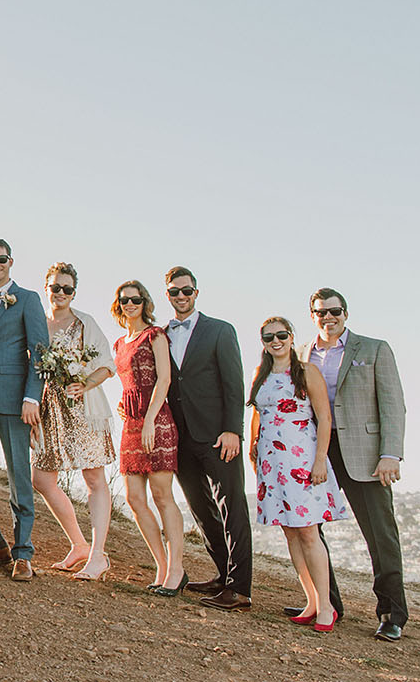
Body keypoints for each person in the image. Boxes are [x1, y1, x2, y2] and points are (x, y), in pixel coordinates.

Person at [307, 287, 408, 642]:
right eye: (320, 312)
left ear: (345, 313)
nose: (327, 317)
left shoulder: (374, 348)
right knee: (308, 528)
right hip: (318, 451)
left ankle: (392, 613)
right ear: (313, 316)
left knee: (380, 534)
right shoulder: (304, 354)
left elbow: (393, 404)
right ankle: (327, 601)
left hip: (364, 453)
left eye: (334, 311)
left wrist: (389, 454)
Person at [249, 316, 346, 632]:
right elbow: (257, 417)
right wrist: (254, 453)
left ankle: (327, 607)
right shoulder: (259, 375)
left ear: (291, 337)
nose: (275, 341)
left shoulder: (306, 372)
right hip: (271, 465)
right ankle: (312, 600)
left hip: (302, 461)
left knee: (307, 531)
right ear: (263, 342)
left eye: (280, 335)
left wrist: (320, 461)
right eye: (268, 337)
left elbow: (325, 419)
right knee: (289, 532)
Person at [163, 266, 252, 610]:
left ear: (196, 293)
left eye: (186, 291)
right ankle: (222, 573)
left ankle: (240, 589)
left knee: (232, 508)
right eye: (174, 292)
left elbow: (235, 384)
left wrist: (233, 430)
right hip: (180, 437)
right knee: (201, 509)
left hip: (218, 436)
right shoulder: (161, 335)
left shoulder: (219, 330)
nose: (181, 297)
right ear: (167, 295)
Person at [33, 262, 116, 581]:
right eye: (56, 287)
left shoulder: (85, 323)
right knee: (41, 480)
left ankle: (98, 556)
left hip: (82, 409)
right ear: (47, 288)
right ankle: (79, 545)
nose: (61, 293)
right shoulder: (38, 323)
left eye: (68, 288)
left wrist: (86, 383)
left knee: (94, 479)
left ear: (74, 292)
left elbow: (106, 365)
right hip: (48, 410)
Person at [0, 237, 48, 581]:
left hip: (14, 400)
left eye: (0, 259)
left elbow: (40, 354)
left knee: (20, 477)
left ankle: (23, 554)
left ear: (11, 261)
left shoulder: (28, 299)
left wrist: (32, 398)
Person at [112, 280, 184, 595]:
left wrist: (151, 420)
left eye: (136, 299)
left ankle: (177, 568)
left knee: (162, 495)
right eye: (124, 300)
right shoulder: (118, 342)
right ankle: (162, 565)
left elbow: (164, 378)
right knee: (134, 498)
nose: (130, 304)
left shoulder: (155, 335)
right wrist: (123, 402)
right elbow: (128, 380)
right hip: (130, 422)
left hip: (156, 420)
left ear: (145, 302)